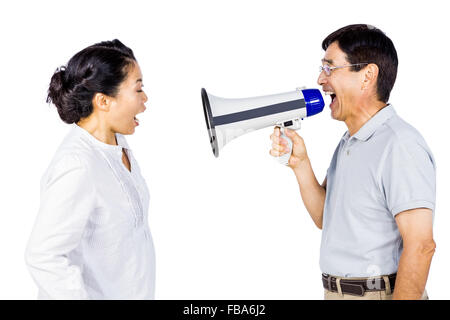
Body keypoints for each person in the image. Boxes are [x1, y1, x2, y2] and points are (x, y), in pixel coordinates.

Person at [270, 24, 436, 300]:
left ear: (367, 75)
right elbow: (326, 217)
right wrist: (300, 164)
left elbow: (421, 246)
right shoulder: (349, 142)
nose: (320, 80)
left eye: (329, 68)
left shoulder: (400, 145)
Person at [25, 39, 155, 299]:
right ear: (104, 101)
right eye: (138, 89)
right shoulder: (77, 165)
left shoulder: (116, 144)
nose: (145, 99)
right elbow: (43, 255)